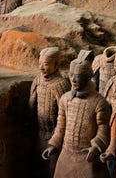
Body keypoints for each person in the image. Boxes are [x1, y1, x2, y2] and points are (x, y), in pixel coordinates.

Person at [42, 58, 111, 178]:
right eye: (71, 75)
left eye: (78, 76)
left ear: (88, 76)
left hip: (87, 157)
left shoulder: (99, 102)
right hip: (66, 155)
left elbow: (103, 129)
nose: (73, 79)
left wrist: (96, 147)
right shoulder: (65, 99)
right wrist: (53, 146)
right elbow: (61, 127)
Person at [28, 47, 70, 178]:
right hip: (38, 133)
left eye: (45, 64)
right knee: (37, 167)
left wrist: (57, 139)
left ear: (56, 64)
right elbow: (31, 106)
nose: (41, 68)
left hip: (54, 137)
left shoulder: (61, 84)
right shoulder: (37, 81)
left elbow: (65, 115)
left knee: (52, 170)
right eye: (40, 64)